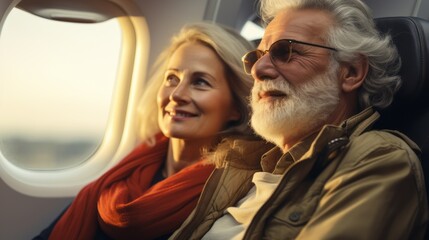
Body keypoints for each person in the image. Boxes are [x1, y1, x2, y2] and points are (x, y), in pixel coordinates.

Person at [170, 0, 429, 239]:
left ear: (350, 72)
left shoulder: (380, 159)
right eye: (256, 57)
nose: (259, 70)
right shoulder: (241, 164)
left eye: (286, 51)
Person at [33, 21, 265, 240]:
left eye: (200, 82)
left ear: (237, 107)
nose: (176, 94)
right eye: (172, 78)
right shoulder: (129, 173)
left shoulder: (236, 194)